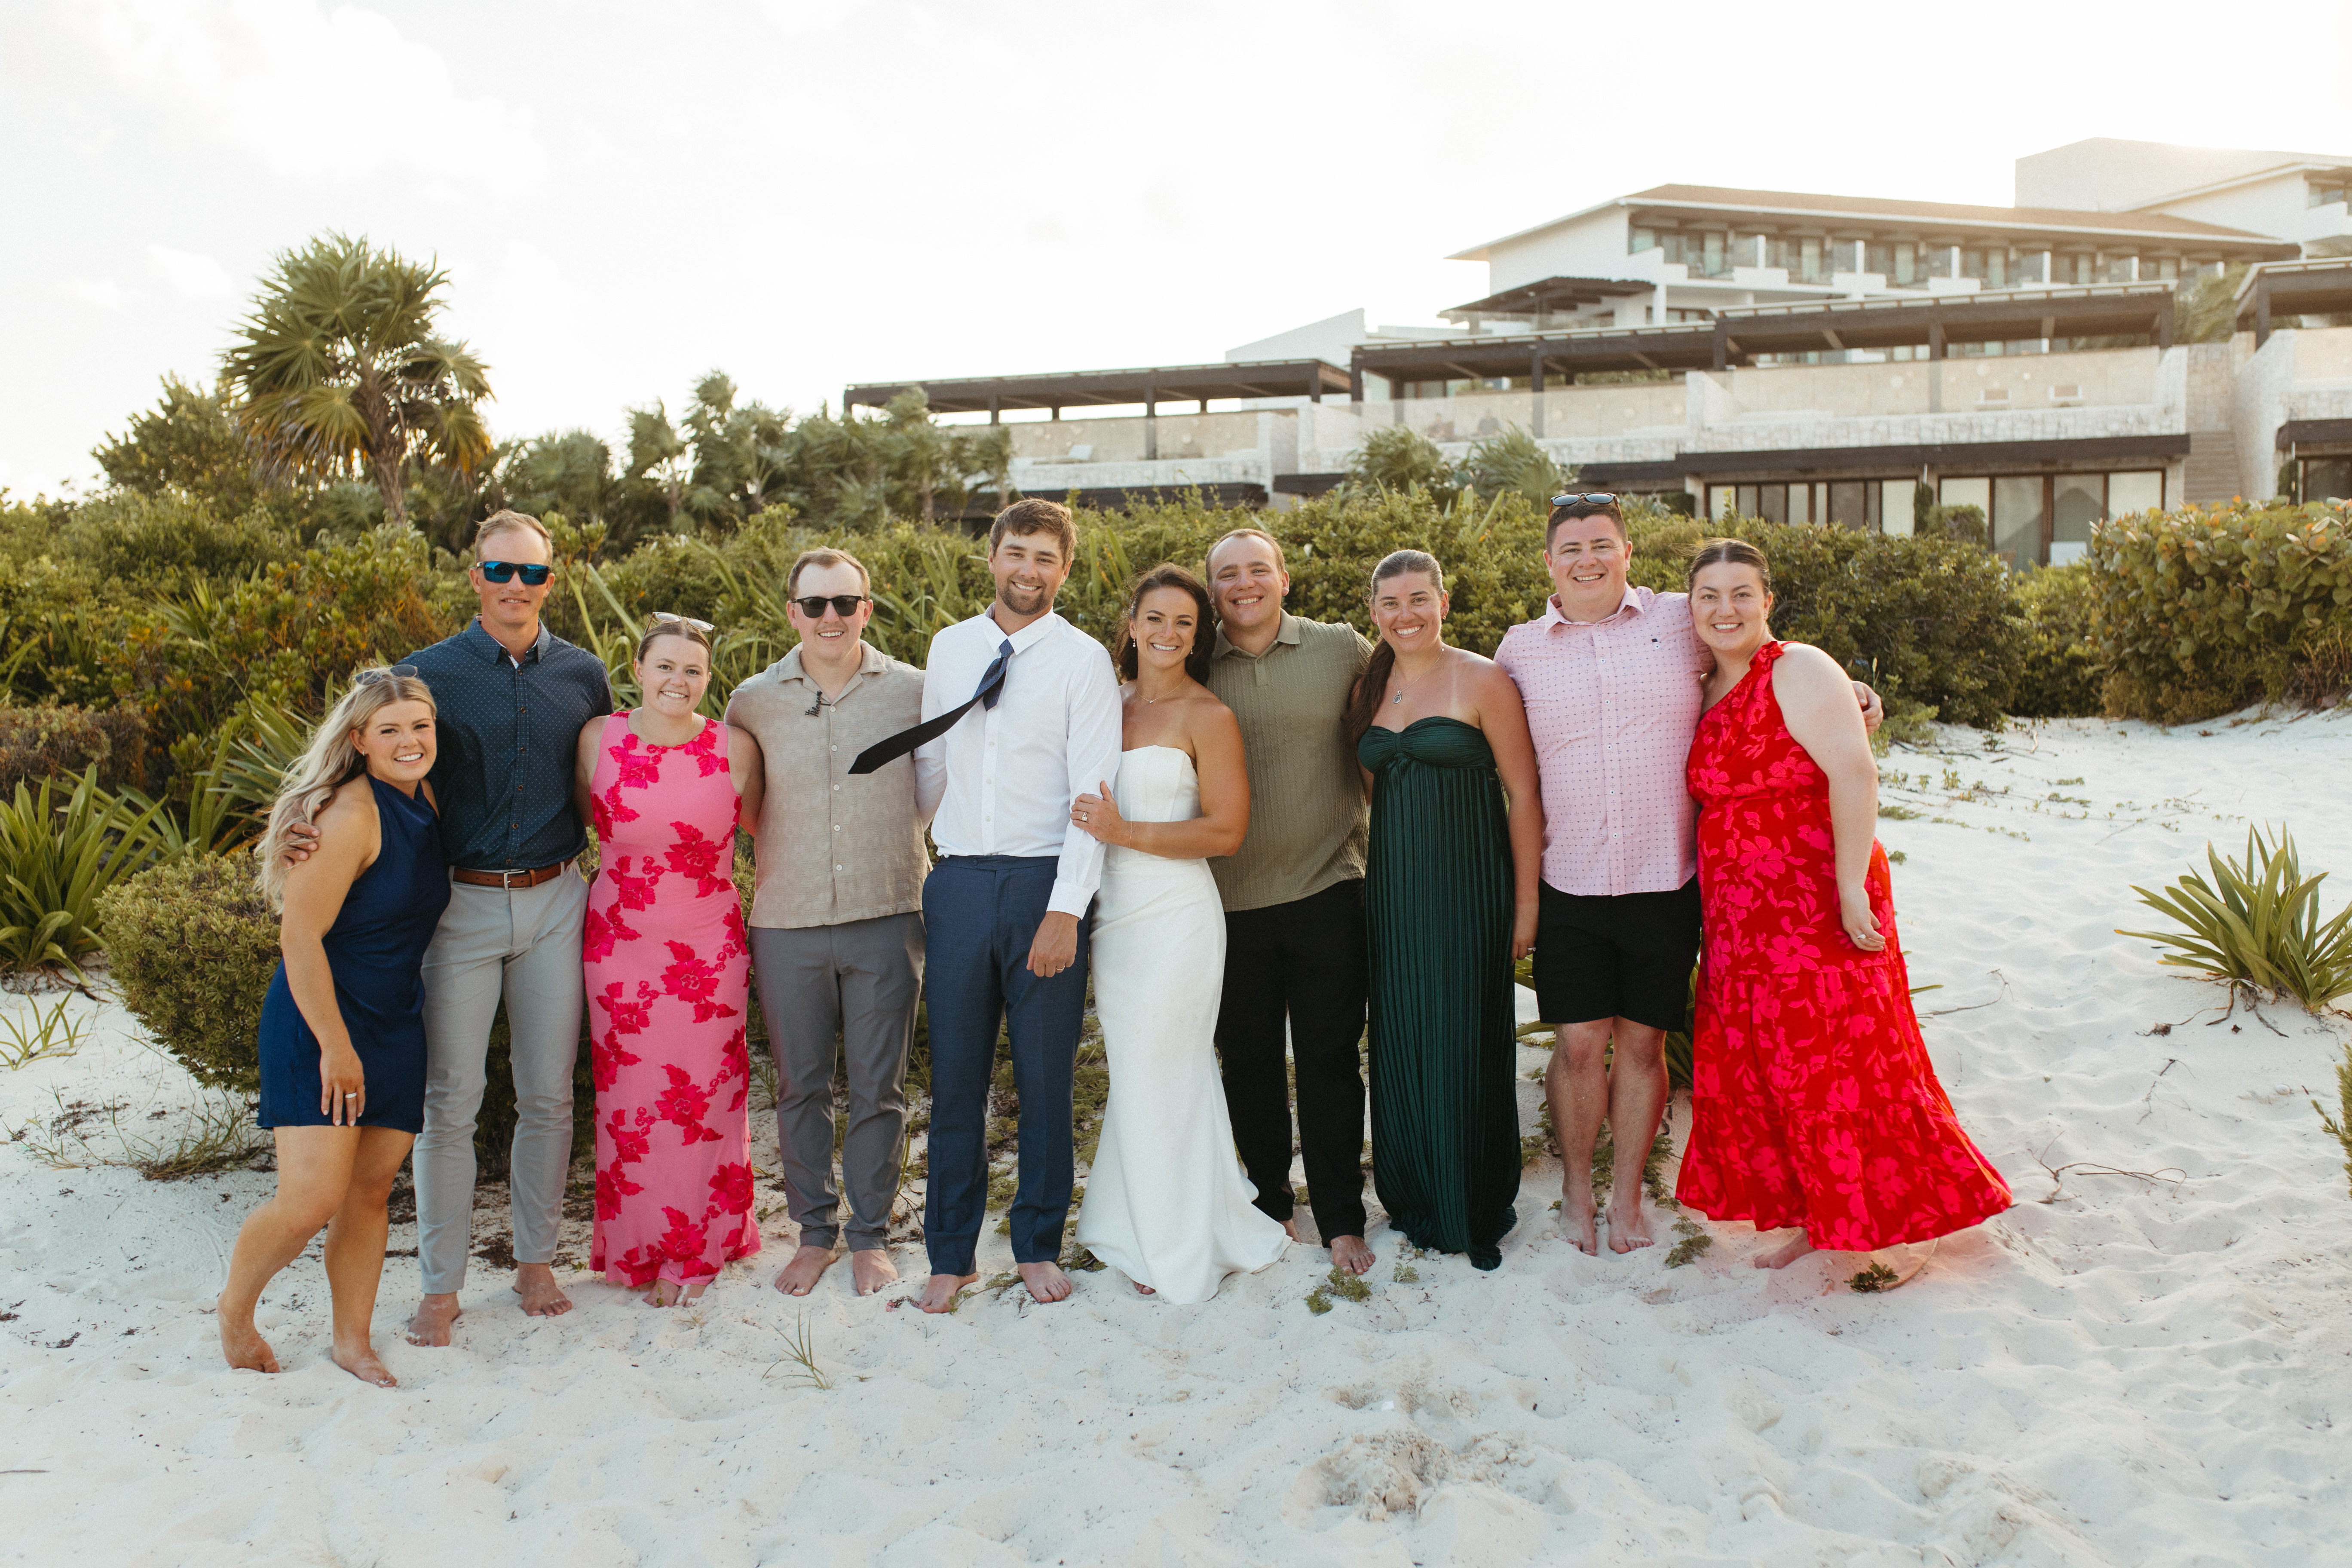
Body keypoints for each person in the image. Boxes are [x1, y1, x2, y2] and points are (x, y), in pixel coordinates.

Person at [1494, 493, 1881, 1257]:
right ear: (1548, 562)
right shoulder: (1518, 650)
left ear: (1627, 553)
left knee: (1642, 1049)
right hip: (1569, 878)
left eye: (1602, 545)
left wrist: (1853, 692)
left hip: (1667, 883)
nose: (1587, 561)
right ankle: (1578, 1195)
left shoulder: (1680, 620)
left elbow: (1760, 649)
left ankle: (1630, 1201)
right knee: (1576, 1046)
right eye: (1571, 548)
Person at [1672, 539, 2012, 1265]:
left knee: (1846, 1058)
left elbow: (1854, 774)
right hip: (1740, 920)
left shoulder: (1797, 667)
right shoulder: (1700, 686)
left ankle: (1891, 1221)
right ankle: (1815, 1216)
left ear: (1768, 600)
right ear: (1690, 607)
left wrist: (1851, 886)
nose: (1724, 609)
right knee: (1779, 1068)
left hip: (1814, 902)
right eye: (1708, 596)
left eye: (1741, 594)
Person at [889, 499, 1121, 1314]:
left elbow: (1094, 791)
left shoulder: (1083, 661)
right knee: (954, 1080)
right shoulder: (951, 648)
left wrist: (1066, 908)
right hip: (956, 885)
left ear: (1065, 569)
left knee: (1045, 1078)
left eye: (1045, 559)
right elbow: (930, 763)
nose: (1029, 571)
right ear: (991, 557)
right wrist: (924, 866)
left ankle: (1035, 1243)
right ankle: (950, 1255)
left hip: (1041, 884)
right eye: (1016, 553)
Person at [402, 511, 613, 1344]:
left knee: (549, 1096)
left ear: (549, 583)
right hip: (462, 904)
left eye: (531, 574)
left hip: (559, 896)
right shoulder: (427, 674)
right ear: (475, 577)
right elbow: (369, 762)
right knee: (451, 1100)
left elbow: (606, 778)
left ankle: (535, 1263)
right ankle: (439, 1289)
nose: (515, 588)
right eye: (501, 571)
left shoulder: (584, 675)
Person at [219, 668, 448, 1386]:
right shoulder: (349, 818)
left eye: (420, 727)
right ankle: (233, 1311)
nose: (409, 742)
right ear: (359, 740)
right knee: (309, 1201)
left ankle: (352, 1342)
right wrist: (337, 1047)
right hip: (321, 1023)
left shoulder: (426, 797)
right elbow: (300, 939)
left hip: (395, 1018)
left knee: (372, 1191)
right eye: (390, 731)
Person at [1068, 564, 1289, 1302]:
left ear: (1199, 638)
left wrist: (1124, 830)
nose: (1167, 634)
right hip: (1112, 919)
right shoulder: (1104, 702)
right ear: (1131, 624)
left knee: (1169, 1066)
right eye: (1155, 619)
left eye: (1184, 624)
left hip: (1176, 918)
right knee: (1138, 1071)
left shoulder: (1208, 715)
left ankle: (1173, 1243)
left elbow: (1226, 832)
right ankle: (1136, 1224)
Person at [724, 548, 930, 1299]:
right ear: (792, 613)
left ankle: (870, 1237)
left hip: (888, 912)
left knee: (881, 1088)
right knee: (799, 1087)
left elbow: (938, 782)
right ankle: (814, 1233)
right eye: (816, 605)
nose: (831, 618)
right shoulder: (752, 700)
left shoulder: (913, 690)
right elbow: (739, 805)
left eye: (846, 603)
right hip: (788, 919)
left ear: (867, 610)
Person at [1349, 550, 1543, 1272]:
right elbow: (1376, 791)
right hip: (1396, 890)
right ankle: (1412, 1195)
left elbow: (1523, 795)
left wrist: (1526, 903)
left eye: (1419, 599)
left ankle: (1471, 1198)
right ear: (1374, 613)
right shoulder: (1368, 685)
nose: (1406, 614)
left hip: (1471, 888)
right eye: (1391, 603)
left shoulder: (1484, 678)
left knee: (1464, 1035)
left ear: (1444, 601)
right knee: (1401, 1034)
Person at [1201, 528, 1379, 1277]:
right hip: (1225, 900)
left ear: (1284, 577)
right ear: (1212, 591)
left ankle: (1340, 1215)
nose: (1244, 585)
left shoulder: (1341, 648)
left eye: (1257, 570)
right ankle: (1272, 1203)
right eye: (1227, 576)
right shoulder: (1193, 658)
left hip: (1328, 889)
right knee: (1247, 1064)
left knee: (1332, 1059)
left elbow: (1386, 733)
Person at [574, 614, 766, 1304]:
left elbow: (765, 837)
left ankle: (699, 1246)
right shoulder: (599, 739)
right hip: (619, 946)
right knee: (631, 1103)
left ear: (708, 679)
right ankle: (636, 1246)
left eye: (692, 670)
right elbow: (579, 822)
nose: (677, 681)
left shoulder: (733, 747)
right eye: (665, 666)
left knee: (704, 1100)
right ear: (638, 668)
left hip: (709, 949)